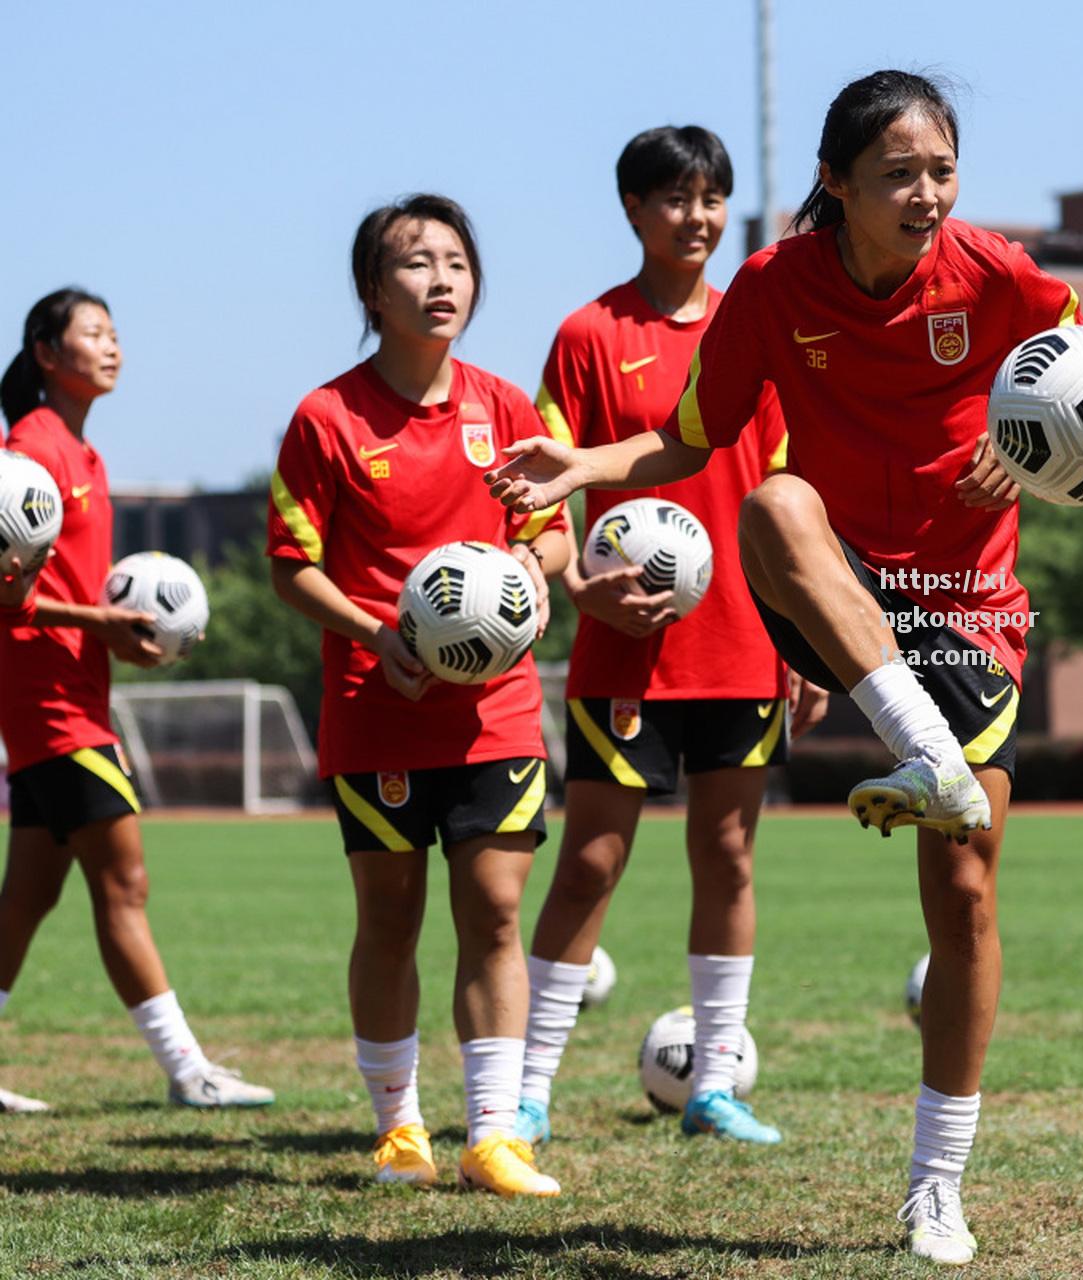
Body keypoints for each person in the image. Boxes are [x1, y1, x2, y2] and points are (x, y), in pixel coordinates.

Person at [489, 70, 1078, 1265]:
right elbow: (690, 436)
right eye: (899, 174)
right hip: (839, 581)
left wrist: (1031, 447)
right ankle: (924, 750)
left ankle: (935, 1186)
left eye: (941, 170)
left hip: (971, 600)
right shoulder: (774, 286)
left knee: (963, 895)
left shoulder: (996, 271)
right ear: (837, 183)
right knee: (771, 498)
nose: (926, 195)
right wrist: (579, 467)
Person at [513, 125, 825, 1150]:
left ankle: (714, 1085)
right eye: (675, 198)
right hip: (625, 649)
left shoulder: (758, 328)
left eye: (712, 198)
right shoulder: (588, 335)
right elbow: (547, 491)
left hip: (742, 637)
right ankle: (526, 1089)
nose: (697, 217)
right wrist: (578, 586)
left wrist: (803, 640)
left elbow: (789, 494)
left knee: (728, 856)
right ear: (634, 211)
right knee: (591, 861)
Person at [267, 195, 573, 1192]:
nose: (441, 280)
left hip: (498, 709)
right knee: (390, 913)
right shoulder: (327, 417)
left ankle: (494, 1134)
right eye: (414, 263)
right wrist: (375, 630)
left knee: (493, 908)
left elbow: (552, 534)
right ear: (371, 289)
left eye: (456, 261)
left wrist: (532, 575)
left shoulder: (509, 407)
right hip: (377, 702)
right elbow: (289, 563)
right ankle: (400, 1126)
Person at [0, 288, 274, 1112]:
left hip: (73, 690)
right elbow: (6, 595)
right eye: (93, 334)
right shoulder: (29, 451)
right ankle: (189, 1069)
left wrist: (110, 634)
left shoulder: (82, 452)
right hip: (50, 702)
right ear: (47, 353)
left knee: (31, 894)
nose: (112, 347)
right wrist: (103, 622)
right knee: (125, 884)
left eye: (116, 334)